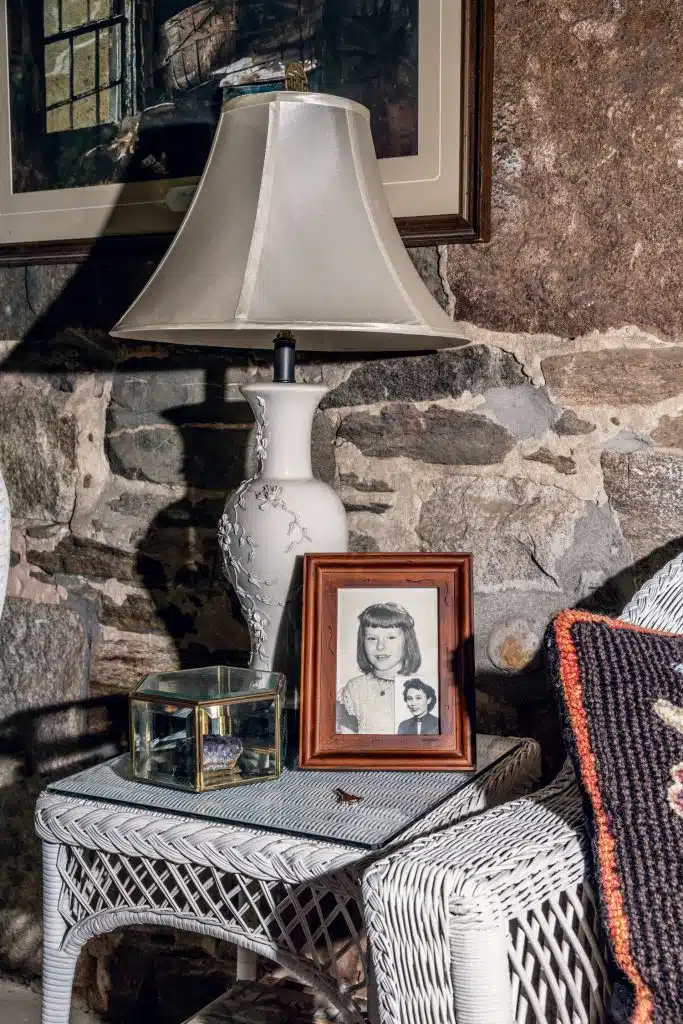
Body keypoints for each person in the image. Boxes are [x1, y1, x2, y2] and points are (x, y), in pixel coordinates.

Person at [336, 602, 421, 734]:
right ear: (362, 642)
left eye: (391, 637)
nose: (380, 646)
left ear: (407, 641)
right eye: (372, 638)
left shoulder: (425, 687)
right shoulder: (353, 689)